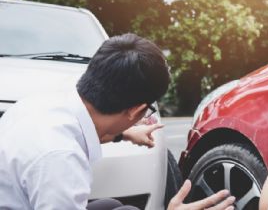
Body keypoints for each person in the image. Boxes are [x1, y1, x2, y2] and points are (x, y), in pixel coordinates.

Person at [0, 33, 235, 210]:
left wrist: (123, 133)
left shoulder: (47, 102)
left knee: (114, 207)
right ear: (136, 111)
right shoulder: (61, 160)